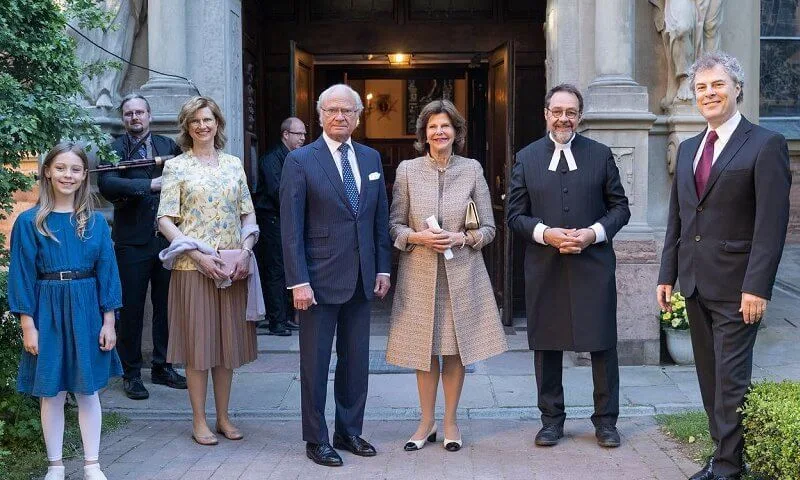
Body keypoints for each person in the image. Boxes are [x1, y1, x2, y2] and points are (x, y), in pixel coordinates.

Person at [657, 52, 791, 480]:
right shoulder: (691, 147)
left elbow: (772, 224)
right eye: (701, 87)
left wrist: (758, 287)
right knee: (710, 378)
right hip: (694, 283)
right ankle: (724, 455)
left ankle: (729, 468)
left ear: (737, 89)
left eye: (718, 85)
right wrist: (667, 274)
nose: (709, 93)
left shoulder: (765, 144)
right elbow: (678, 217)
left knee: (731, 380)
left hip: (738, 288)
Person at [507, 84, 631, 449]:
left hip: (593, 263)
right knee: (546, 344)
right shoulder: (526, 158)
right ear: (546, 113)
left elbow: (620, 208)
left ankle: (606, 423)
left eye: (571, 112)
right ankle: (551, 421)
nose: (564, 118)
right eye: (557, 110)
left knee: (602, 342)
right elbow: (515, 215)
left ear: (580, 116)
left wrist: (593, 234)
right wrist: (547, 234)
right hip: (545, 265)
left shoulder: (601, 154)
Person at [386, 99, 507, 452]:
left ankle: (451, 421)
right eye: (432, 127)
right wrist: (417, 237)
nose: (439, 132)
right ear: (424, 134)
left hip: (461, 275)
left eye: (446, 126)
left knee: (454, 352)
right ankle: (426, 422)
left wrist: (462, 238)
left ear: (456, 132)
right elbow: (394, 225)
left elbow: (489, 228)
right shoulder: (407, 171)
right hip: (420, 275)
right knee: (423, 352)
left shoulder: (471, 170)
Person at [280, 84, 391, 467]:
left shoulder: (371, 158)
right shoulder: (300, 160)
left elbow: (378, 218)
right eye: (332, 111)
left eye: (347, 111)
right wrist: (298, 281)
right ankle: (316, 438)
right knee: (314, 363)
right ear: (320, 114)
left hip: (362, 278)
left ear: (359, 117)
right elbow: (291, 227)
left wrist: (382, 267)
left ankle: (349, 431)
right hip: (317, 281)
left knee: (356, 360)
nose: (339, 117)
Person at [9, 142, 123, 480]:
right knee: (53, 391)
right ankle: (55, 466)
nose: (67, 175)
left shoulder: (97, 224)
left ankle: (92, 465)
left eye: (75, 169)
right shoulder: (30, 222)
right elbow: (22, 275)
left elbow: (108, 272)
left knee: (88, 390)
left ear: (85, 175)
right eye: (60, 168)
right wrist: (28, 325)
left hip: (87, 308)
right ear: (47, 171)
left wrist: (109, 321)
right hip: (47, 310)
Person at [157, 96, 259, 446]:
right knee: (199, 348)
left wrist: (245, 251)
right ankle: (199, 420)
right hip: (192, 268)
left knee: (226, 347)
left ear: (217, 123)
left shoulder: (233, 164)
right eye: (195, 121)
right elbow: (165, 219)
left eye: (208, 119)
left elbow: (247, 213)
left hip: (230, 268)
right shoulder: (177, 167)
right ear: (187, 127)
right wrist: (195, 253)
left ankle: (224, 418)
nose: (202, 126)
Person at [98, 93, 186, 400]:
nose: (135, 117)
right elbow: (108, 185)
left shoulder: (168, 147)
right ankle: (131, 372)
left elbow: (181, 181)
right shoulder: (112, 149)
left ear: (149, 115)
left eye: (140, 112)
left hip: (166, 239)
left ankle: (163, 365)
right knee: (132, 309)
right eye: (129, 114)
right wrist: (148, 185)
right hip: (131, 242)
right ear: (123, 119)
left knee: (166, 306)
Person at [252, 116, 306, 336]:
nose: (303, 138)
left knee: (287, 268)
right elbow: (277, 192)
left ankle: (285, 317)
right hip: (273, 220)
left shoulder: (296, 157)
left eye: (304, 133)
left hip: (288, 219)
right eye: (298, 134)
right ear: (286, 135)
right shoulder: (271, 160)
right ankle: (277, 322)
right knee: (276, 270)